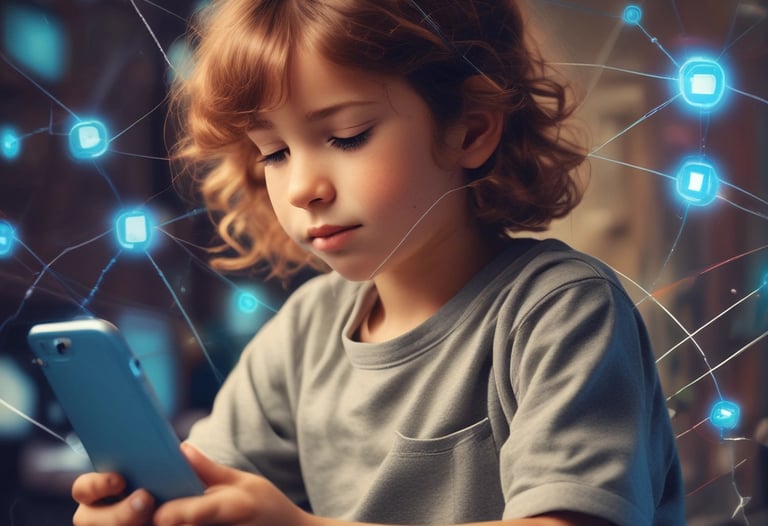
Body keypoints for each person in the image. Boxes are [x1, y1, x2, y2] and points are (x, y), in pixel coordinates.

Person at [71, 0, 685, 525]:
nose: (301, 187)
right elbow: (217, 490)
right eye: (275, 152)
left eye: (346, 135)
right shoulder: (304, 333)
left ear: (470, 130)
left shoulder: (561, 312)